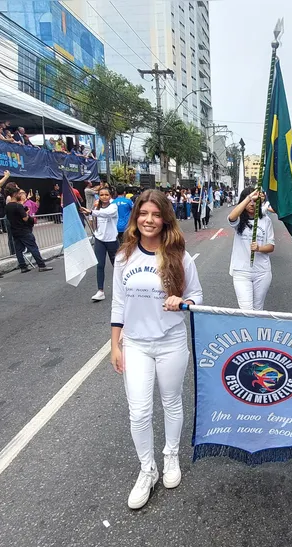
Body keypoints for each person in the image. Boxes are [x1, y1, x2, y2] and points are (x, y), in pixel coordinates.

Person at [110, 189, 203, 510]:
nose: (149, 220)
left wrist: (183, 302)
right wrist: (115, 346)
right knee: (139, 411)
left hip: (171, 343)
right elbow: (118, 304)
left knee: (171, 402)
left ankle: (170, 457)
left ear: (165, 219)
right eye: (143, 214)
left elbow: (197, 298)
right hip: (135, 344)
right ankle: (147, 469)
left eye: (156, 214)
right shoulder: (124, 256)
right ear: (136, 217)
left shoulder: (179, 256)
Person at [227, 189, 275, 310]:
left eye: (255, 201)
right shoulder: (239, 220)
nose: (252, 204)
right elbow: (231, 217)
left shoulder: (265, 220)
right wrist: (249, 197)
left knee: (258, 309)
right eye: (249, 201)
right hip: (241, 271)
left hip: (262, 272)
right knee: (246, 310)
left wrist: (259, 248)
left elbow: (271, 246)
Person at [3, 184, 53, 274]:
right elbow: (25, 218)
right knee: (33, 247)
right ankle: (41, 265)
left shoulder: (8, 206)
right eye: (19, 193)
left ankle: (23, 266)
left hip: (14, 230)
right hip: (23, 230)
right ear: (15, 194)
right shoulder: (18, 206)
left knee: (18, 249)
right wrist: (27, 214)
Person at [83, 186, 118, 302]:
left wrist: (92, 211)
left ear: (110, 196)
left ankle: (123, 288)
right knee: (100, 265)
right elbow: (91, 218)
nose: (104, 197)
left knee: (117, 266)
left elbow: (107, 214)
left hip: (112, 240)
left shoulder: (113, 207)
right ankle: (100, 291)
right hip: (99, 240)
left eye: (106, 195)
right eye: (101, 195)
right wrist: (90, 213)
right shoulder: (96, 207)